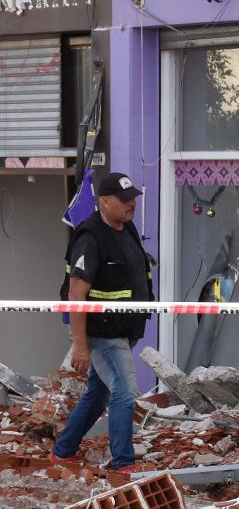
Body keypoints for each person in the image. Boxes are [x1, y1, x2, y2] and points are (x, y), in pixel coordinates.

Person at [52, 172, 154, 474]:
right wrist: (80, 346)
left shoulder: (127, 228)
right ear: (104, 202)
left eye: (133, 198)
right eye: (124, 200)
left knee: (99, 393)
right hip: (103, 333)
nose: (131, 204)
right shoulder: (90, 237)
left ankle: (63, 451)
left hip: (124, 330)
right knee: (124, 391)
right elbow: (76, 294)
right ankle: (123, 464)